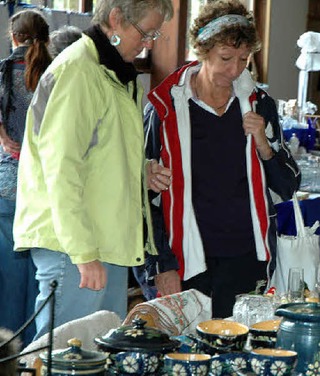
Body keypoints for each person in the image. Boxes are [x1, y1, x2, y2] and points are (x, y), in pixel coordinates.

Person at [13, 0, 174, 340]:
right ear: (116, 19)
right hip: (75, 246)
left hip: (106, 241)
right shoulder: (79, 71)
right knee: (67, 358)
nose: (149, 44)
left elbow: (99, 153)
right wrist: (84, 253)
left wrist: (141, 171)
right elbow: (61, 169)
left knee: (98, 356)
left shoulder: (115, 72)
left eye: (155, 35)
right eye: (146, 33)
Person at [141, 0, 300, 318]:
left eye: (244, 59)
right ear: (202, 51)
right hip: (185, 259)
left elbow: (288, 187)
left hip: (246, 257)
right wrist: (161, 265)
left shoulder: (258, 104)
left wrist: (263, 146)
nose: (236, 70)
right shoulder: (166, 108)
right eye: (226, 58)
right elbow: (143, 199)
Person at [0, 9, 52, 346]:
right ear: (47, 38)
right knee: (41, 280)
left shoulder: (4, 70)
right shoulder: (56, 75)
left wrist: (5, 139)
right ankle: (36, 353)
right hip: (45, 187)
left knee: (8, 281)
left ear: (13, 37)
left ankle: (6, 353)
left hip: (7, 185)